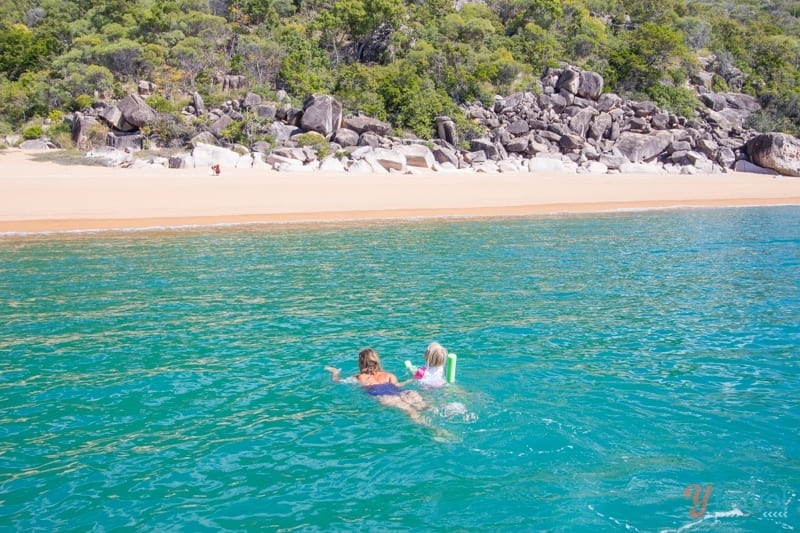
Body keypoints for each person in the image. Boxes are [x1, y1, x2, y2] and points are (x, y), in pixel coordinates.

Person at [326, 348, 428, 422]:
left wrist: (335, 373)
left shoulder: (358, 377)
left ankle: (433, 429)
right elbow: (398, 385)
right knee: (424, 407)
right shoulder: (389, 375)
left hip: (385, 397)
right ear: (377, 361)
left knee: (412, 413)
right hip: (403, 392)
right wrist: (411, 379)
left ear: (361, 364)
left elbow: (338, 382)